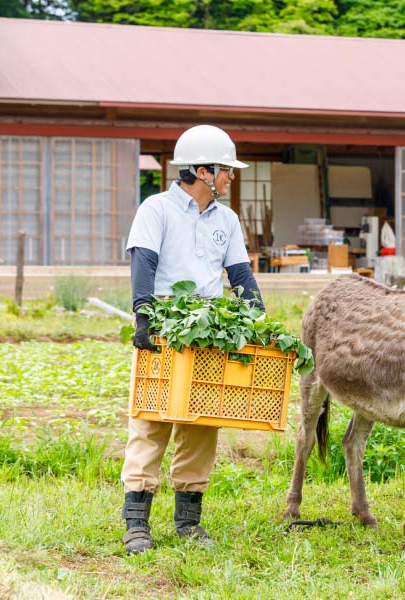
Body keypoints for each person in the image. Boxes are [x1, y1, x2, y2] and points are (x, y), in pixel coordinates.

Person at [121, 124, 265, 555]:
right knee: (151, 420)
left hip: (207, 327)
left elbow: (240, 276)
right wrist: (143, 313)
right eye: (226, 170)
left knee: (202, 422)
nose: (231, 177)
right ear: (203, 171)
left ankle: (187, 522)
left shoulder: (227, 219)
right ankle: (136, 524)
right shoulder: (157, 209)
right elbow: (143, 260)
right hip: (167, 322)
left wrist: (258, 321)